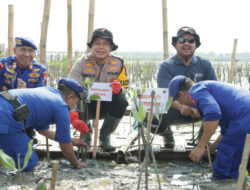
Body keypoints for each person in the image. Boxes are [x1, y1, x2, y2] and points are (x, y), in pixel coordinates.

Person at [168, 75, 250, 180]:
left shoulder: (196, 91)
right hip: (243, 117)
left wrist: (200, 147)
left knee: (224, 171)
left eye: (178, 101)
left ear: (181, 94)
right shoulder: (205, 87)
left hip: (245, 117)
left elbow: (213, 115)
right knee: (243, 166)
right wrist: (210, 150)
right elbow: (226, 132)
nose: (181, 104)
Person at [0, 78, 88, 171]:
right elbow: (64, 145)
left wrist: (71, 140)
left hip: (4, 102)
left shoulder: (49, 91)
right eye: (76, 102)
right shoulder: (62, 106)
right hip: (5, 116)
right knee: (28, 164)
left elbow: (43, 130)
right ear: (69, 98)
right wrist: (76, 163)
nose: (75, 106)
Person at [153, 26, 217, 148]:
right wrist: (181, 107)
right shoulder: (166, 66)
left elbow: (214, 91)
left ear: (196, 44)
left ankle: (202, 139)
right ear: (175, 44)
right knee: (148, 118)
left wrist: (199, 106)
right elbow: (166, 95)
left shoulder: (205, 65)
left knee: (220, 105)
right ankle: (167, 135)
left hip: (200, 111)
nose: (186, 43)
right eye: (182, 40)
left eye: (191, 40)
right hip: (175, 110)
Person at [69, 28, 129, 152]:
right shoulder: (81, 63)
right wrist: (72, 112)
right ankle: (86, 134)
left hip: (107, 105)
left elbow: (125, 88)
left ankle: (105, 135)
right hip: (86, 105)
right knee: (77, 99)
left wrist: (120, 88)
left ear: (111, 47)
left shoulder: (119, 63)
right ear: (91, 46)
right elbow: (70, 89)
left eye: (105, 44)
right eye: (97, 43)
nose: (101, 47)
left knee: (122, 101)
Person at [0, 36, 48, 142]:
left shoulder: (40, 70)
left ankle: (27, 133)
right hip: (3, 109)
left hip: (26, 114)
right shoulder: (3, 65)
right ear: (14, 50)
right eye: (23, 49)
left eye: (31, 51)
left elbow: (40, 99)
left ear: (35, 53)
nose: (27, 54)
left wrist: (26, 93)